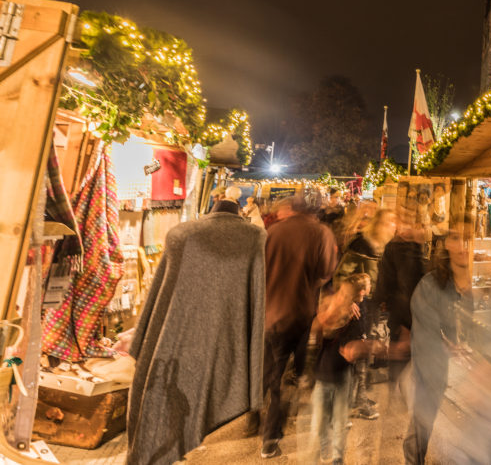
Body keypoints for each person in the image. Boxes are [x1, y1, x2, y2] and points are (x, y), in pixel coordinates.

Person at [127, 198, 265, 465]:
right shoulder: (255, 237)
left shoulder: (180, 235)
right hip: (224, 344)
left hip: (172, 341)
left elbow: (157, 304)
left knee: (162, 419)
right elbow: (254, 303)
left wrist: (143, 342)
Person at [257, 197, 338, 459]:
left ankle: (263, 429)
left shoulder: (272, 232)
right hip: (302, 314)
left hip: (270, 314)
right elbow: (326, 270)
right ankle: (277, 433)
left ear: (290, 211)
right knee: (298, 374)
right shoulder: (320, 233)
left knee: (272, 371)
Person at [404, 229, 472, 464]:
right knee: (423, 415)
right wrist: (448, 343)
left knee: (425, 415)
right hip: (428, 358)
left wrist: (453, 341)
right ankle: (413, 459)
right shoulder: (433, 285)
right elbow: (430, 323)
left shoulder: (448, 285)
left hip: (433, 359)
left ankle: (415, 457)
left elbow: (450, 322)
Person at [308, 274, 382, 465]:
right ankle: (325, 449)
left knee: (340, 422)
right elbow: (318, 329)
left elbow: (360, 337)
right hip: (323, 373)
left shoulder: (359, 311)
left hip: (342, 373)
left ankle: (337, 459)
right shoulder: (329, 307)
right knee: (319, 422)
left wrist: (361, 345)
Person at [335, 208, 396, 420]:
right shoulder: (361, 244)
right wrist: (348, 300)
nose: (393, 226)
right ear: (378, 223)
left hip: (372, 307)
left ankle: (358, 395)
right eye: (389, 222)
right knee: (358, 353)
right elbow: (341, 275)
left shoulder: (383, 246)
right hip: (358, 306)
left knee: (365, 351)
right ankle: (357, 401)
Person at [375, 209, 429, 386]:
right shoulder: (404, 249)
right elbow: (408, 287)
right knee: (406, 369)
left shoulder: (401, 247)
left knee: (402, 369)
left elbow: (385, 285)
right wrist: (406, 325)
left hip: (404, 320)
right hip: (408, 321)